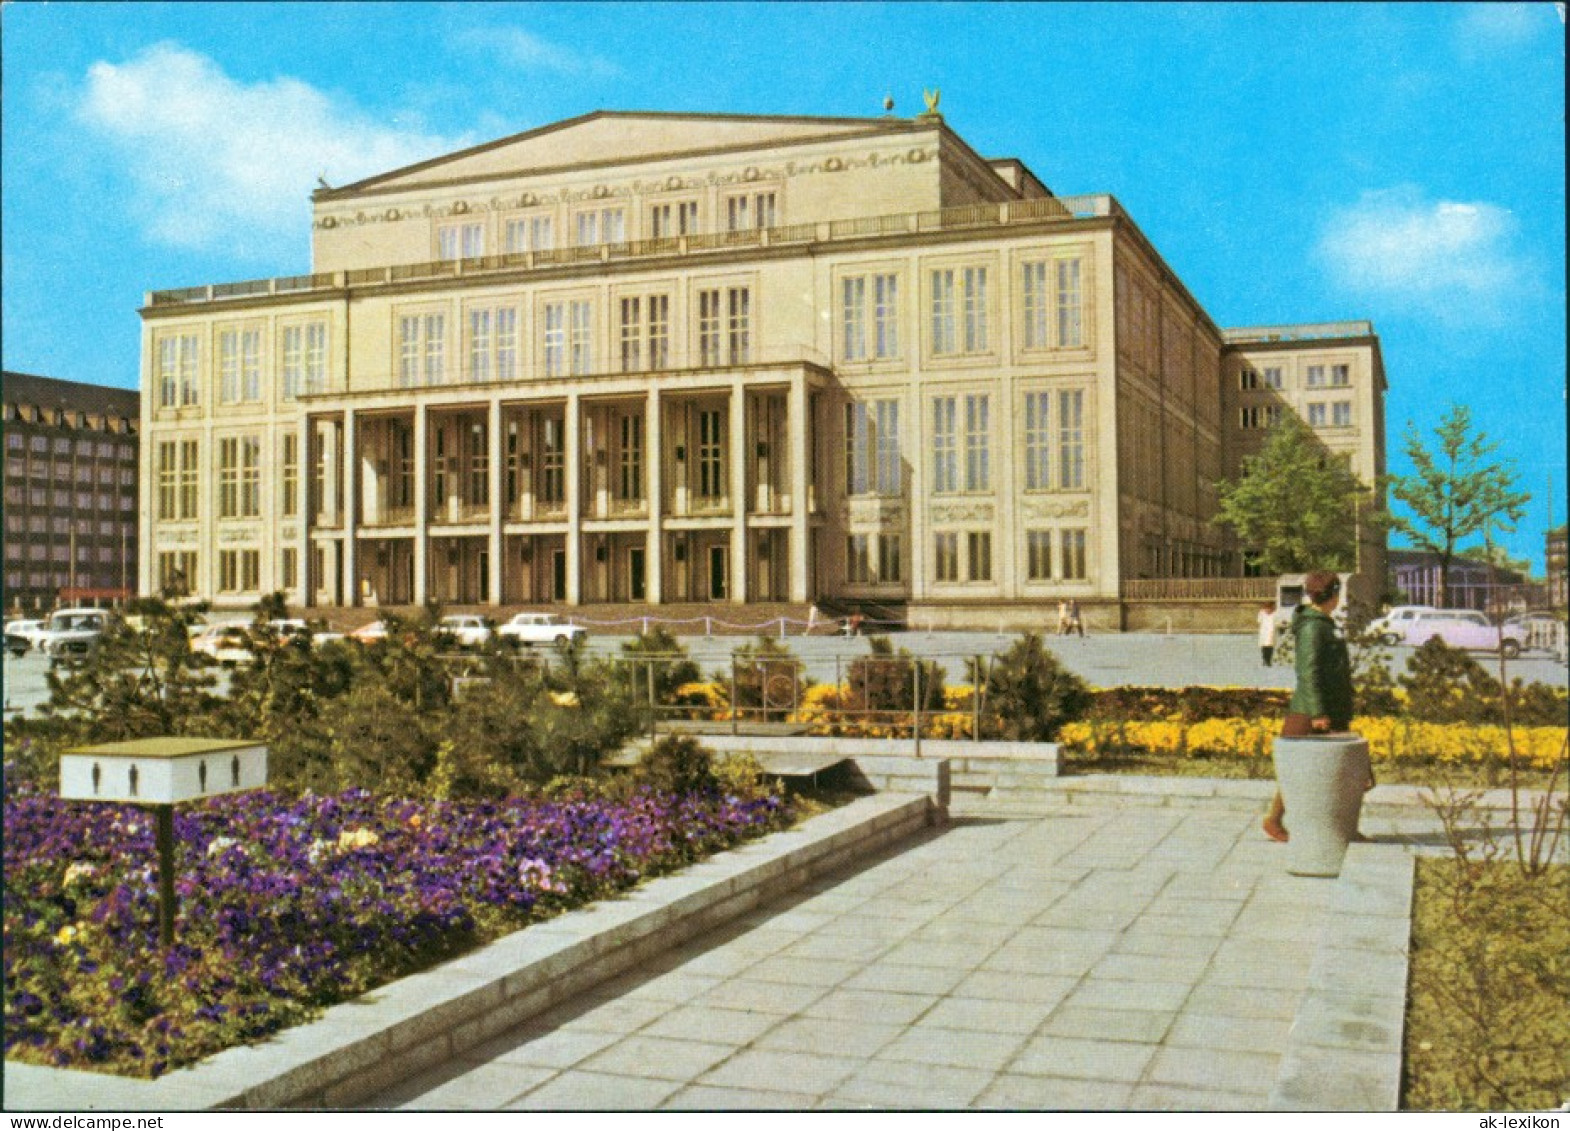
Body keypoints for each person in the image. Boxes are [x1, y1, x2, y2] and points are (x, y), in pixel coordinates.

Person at [1263, 571, 1360, 843]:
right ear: (1333, 595)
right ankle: (1273, 820)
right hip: (1310, 710)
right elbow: (1309, 672)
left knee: (1340, 770)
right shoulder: (1313, 627)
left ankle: (1343, 828)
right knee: (1297, 768)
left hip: (1329, 707)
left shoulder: (1324, 623)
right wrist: (1318, 713)